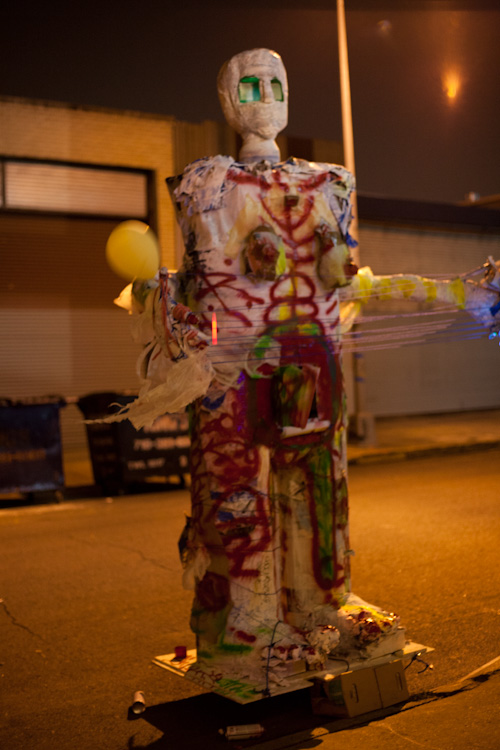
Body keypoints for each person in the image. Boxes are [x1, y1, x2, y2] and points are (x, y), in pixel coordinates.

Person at [124, 48, 500, 693]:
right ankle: (247, 625)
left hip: (313, 368)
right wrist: (165, 311)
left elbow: (347, 282)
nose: (265, 98)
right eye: (250, 85)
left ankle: (322, 603)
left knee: (319, 494)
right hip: (233, 382)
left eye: (276, 84)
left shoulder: (330, 185)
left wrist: (456, 292)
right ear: (227, 100)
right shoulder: (208, 183)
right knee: (237, 499)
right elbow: (187, 287)